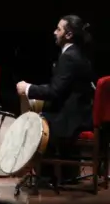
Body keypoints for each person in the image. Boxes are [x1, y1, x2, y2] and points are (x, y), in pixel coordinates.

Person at [16, 15, 94, 151]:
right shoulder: (77, 53)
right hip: (79, 116)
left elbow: (54, 91)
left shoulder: (69, 57)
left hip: (70, 120)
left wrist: (28, 88)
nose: (54, 32)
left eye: (58, 29)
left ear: (68, 35)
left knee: (26, 125)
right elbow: (62, 86)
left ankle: (37, 164)